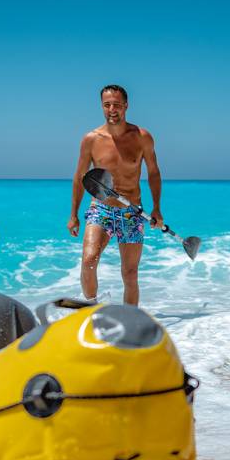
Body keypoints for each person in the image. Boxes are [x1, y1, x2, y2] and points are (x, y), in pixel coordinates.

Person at [68, 84, 162, 306]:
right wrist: (73, 214)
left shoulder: (142, 137)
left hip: (132, 212)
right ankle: (91, 310)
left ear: (126, 106)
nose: (112, 110)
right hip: (100, 209)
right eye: (107, 105)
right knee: (88, 261)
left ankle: (130, 321)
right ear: (102, 106)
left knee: (130, 273)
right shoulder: (91, 139)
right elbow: (80, 177)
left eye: (117, 105)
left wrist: (157, 208)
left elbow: (153, 173)